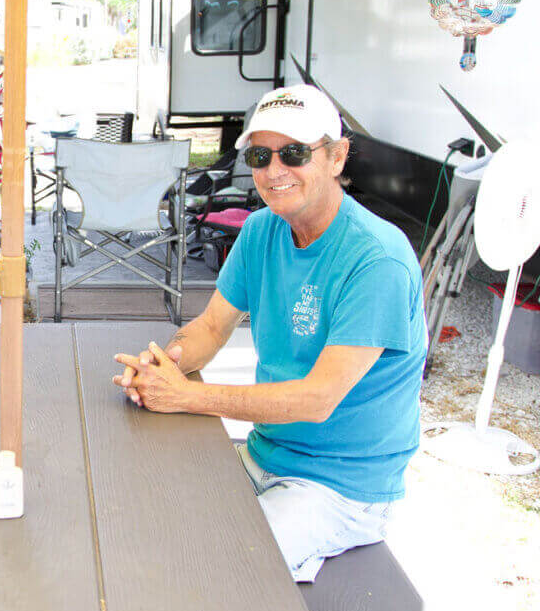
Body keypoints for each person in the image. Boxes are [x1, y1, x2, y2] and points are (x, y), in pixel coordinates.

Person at [114, 84, 426, 582]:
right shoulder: (263, 231)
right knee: (152, 514)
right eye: (261, 155)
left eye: (294, 153)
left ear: (337, 156)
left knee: (225, 571)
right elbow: (213, 327)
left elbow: (317, 400)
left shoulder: (377, 259)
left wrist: (188, 398)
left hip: (342, 488)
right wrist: (166, 363)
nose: (274, 170)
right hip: (265, 453)